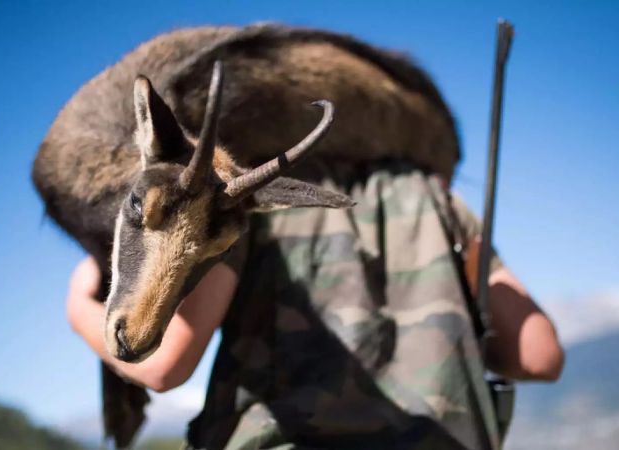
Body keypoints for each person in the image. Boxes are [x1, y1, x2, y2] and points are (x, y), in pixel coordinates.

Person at [67, 161, 564, 450]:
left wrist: (77, 308)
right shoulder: (436, 199)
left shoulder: (240, 199)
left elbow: (165, 365)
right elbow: (539, 355)